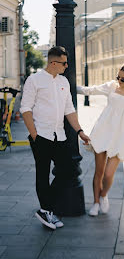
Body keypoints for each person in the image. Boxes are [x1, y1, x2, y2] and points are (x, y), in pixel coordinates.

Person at [20, 46, 90, 230]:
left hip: (60, 136)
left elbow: (69, 110)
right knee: (42, 175)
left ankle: (47, 207)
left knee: (68, 169)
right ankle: (47, 210)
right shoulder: (34, 80)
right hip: (41, 136)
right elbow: (25, 108)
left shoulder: (64, 82)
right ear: (53, 62)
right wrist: (35, 135)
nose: (66, 66)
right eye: (64, 63)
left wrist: (80, 131)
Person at [77, 62, 124, 216]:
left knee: (108, 174)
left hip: (121, 136)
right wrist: (70, 84)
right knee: (99, 172)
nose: (119, 81)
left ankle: (103, 195)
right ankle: (95, 203)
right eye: (118, 77)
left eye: (123, 79)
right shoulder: (111, 86)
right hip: (104, 131)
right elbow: (90, 90)